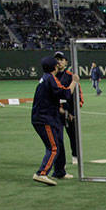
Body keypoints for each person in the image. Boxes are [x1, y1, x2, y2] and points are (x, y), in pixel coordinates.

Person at [31, 56, 76, 185]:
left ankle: (59, 172)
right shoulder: (51, 79)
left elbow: (49, 98)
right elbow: (65, 94)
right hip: (44, 119)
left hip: (46, 117)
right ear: (55, 67)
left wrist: (60, 110)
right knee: (54, 147)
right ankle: (41, 173)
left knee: (58, 144)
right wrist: (74, 82)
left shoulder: (45, 79)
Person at [53, 52, 82, 162]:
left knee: (73, 136)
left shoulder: (71, 76)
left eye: (61, 59)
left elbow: (78, 96)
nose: (59, 62)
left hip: (69, 113)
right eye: (57, 59)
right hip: (56, 113)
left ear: (66, 62)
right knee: (57, 138)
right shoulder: (52, 77)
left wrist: (73, 112)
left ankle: (75, 156)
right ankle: (60, 161)